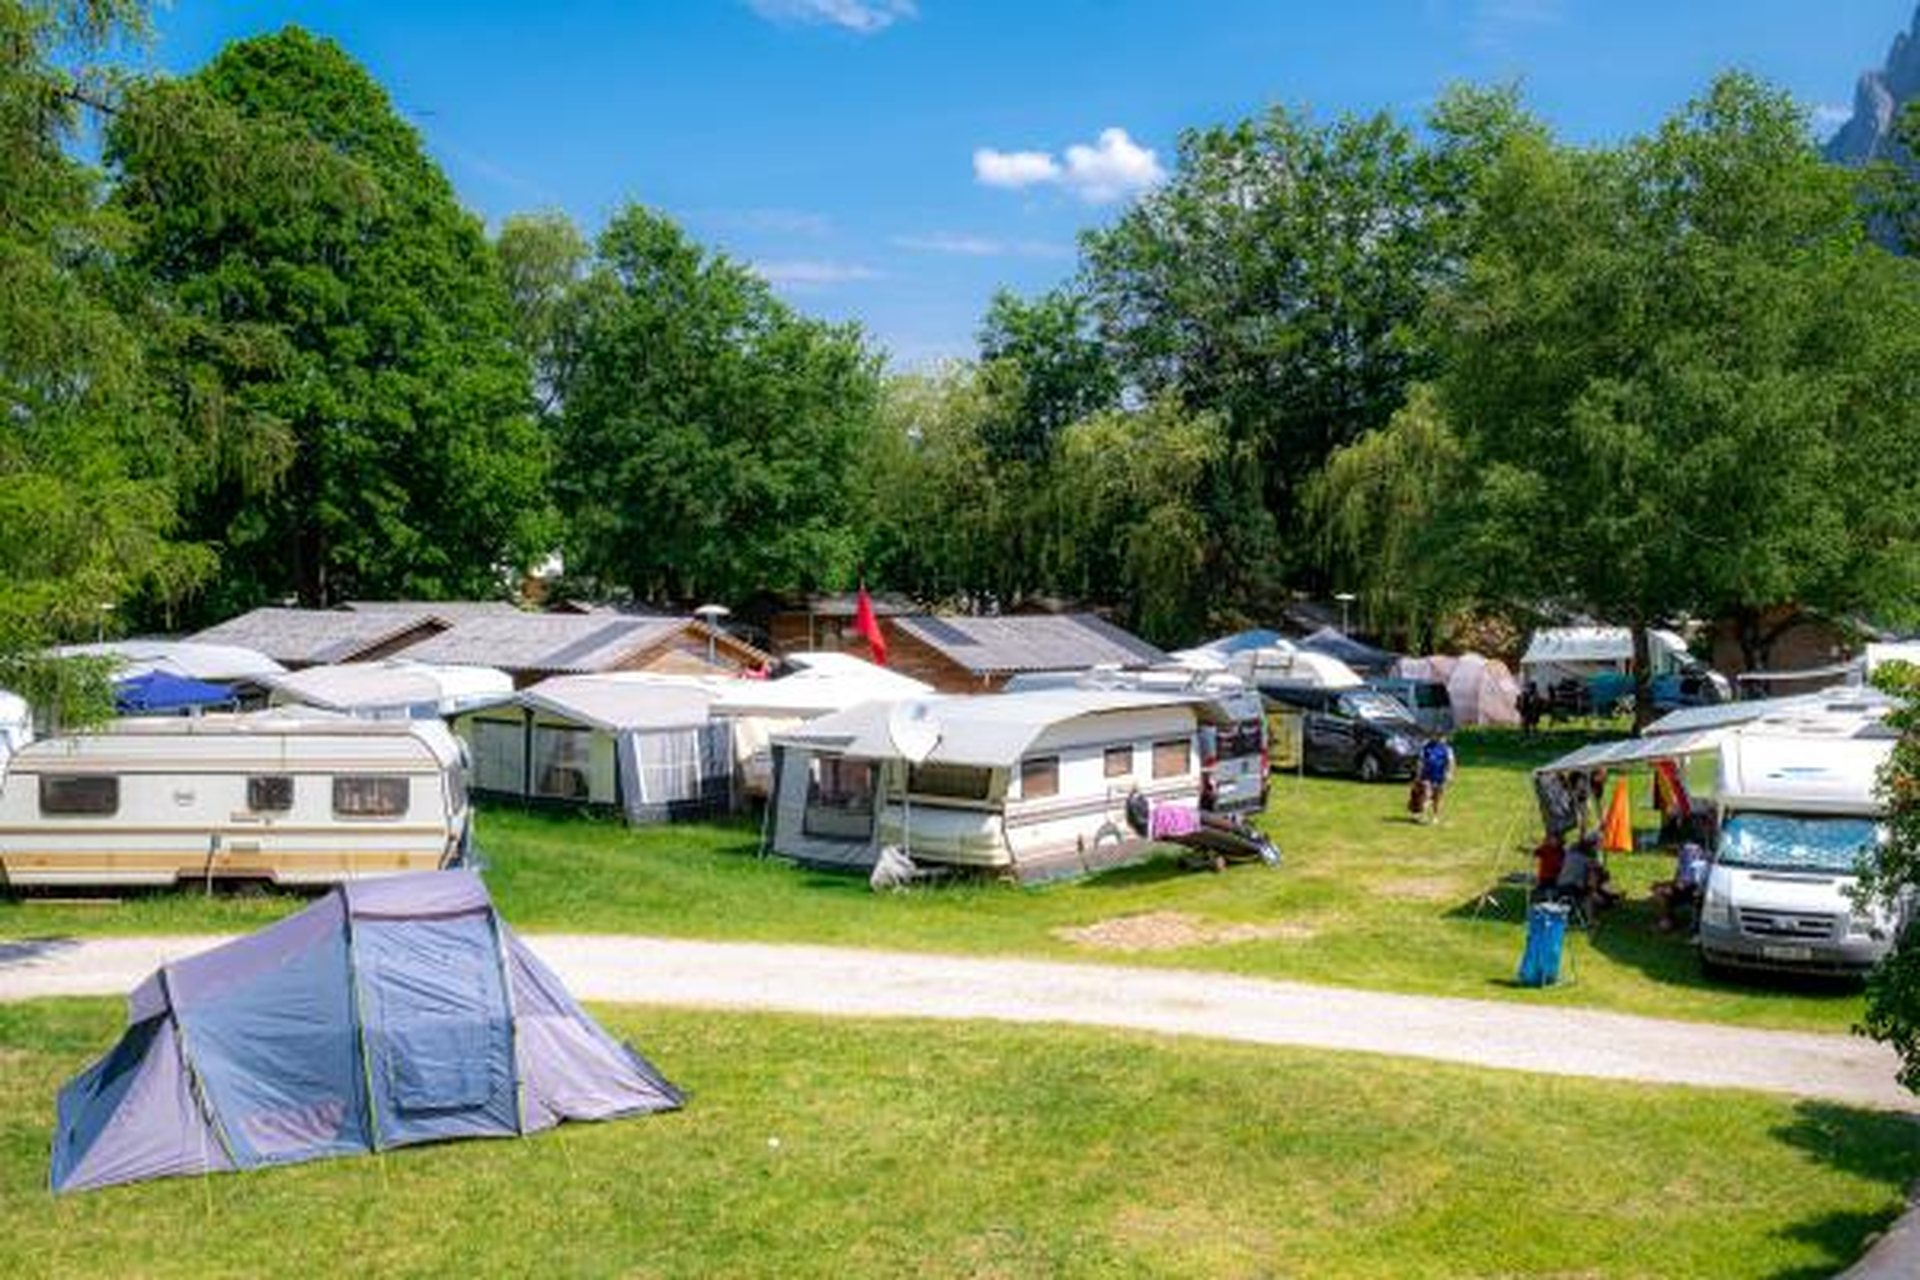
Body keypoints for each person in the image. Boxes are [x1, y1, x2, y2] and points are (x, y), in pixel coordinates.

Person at [1652, 841, 1711, 933]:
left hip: (1694, 890)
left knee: (1661, 890)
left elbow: (1684, 882)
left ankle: (1668, 922)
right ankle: (1668, 920)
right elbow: (1680, 878)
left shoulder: (1689, 850)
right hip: (1687, 888)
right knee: (1659, 888)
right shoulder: (1685, 852)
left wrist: (1671, 885)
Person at [1418, 734, 1456, 823]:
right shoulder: (1426, 747)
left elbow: (1451, 762)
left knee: (1437, 798)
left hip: (1440, 776)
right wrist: (1418, 774)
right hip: (1426, 775)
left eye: (1441, 737)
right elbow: (1421, 761)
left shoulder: (1447, 749)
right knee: (1426, 794)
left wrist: (1449, 773)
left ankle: (1435, 816)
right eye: (1437, 736)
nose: (1440, 738)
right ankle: (1423, 815)